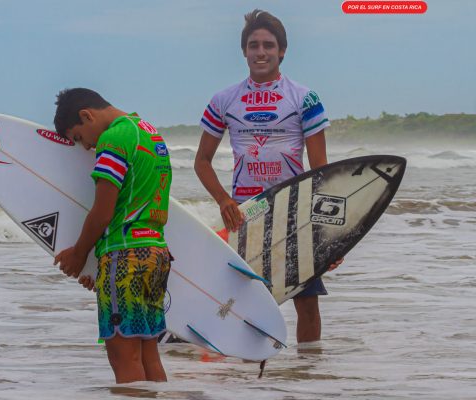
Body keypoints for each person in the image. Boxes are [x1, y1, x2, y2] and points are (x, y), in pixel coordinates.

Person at [193, 10, 341, 343]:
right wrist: (223, 200)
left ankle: (307, 372)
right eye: (253, 45)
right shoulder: (224, 100)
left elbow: (321, 171)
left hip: (294, 212)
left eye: (269, 45)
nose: (261, 52)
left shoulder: (305, 99)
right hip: (246, 215)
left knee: (307, 302)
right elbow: (201, 161)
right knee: (239, 303)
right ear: (244, 51)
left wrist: (331, 232)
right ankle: (246, 375)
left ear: (282, 51)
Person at [52, 88, 172, 383]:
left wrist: (79, 253)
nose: (85, 147)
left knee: (123, 357)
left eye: (79, 137)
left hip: (125, 255)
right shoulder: (149, 133)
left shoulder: (114, 139)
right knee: (147, 354)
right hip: (155, 252)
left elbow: (103, 211)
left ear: (86, 115)